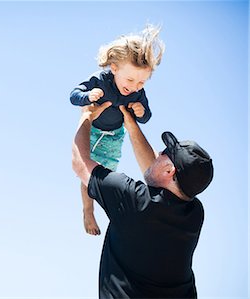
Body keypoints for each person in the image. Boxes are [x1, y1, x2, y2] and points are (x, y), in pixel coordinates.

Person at [72, 102, 214, 298]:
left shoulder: (133, 199)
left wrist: (86, 116)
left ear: (169, 170)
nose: (158, 153)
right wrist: (130, 124)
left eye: (164, 154)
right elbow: (159, 177)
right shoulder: (194, 214)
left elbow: (80, 165)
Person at [70, 25, 165, 235]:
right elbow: (73, 95)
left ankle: (109, 211)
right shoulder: (100, 81)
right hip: (93, 132)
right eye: (130, 80)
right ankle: (88, 209)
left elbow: (147, 117)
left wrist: (141, 112)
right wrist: (87, 97)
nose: (134, 87)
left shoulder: (138, 93)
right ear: (114, 68)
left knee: (105, 175)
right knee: (89, 174)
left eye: (141, 82)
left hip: (115, 137)